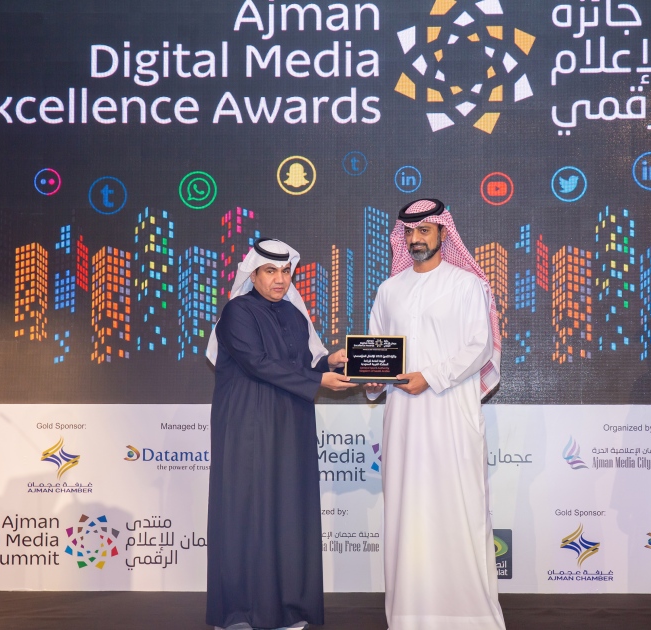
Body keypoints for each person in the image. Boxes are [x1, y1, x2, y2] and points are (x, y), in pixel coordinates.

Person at [365, 199, 506, 630]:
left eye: (424, 230)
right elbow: (377, 348)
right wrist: (370, 378)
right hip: (403, 420)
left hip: (451, 414)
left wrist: (430, 376)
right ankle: (410, 615)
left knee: (458, 508)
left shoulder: (467, 285)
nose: (415, 238)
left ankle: (469, 617)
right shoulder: (389, 290)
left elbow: (479, 346)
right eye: (409, 232)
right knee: (407, 511)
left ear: (444, 233)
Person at [205, 238, 355, 630]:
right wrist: (317, 380)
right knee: (247, 512)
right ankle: (240, 611)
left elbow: (303, 362)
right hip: (248, 426)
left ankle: (289, 609)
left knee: (290, 510)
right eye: (270, 271)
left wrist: (330, 361)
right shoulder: (237, 311)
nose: (280, 279)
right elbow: (258, 363)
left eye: (286, 271)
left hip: (290, 423)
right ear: (253, 273)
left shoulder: (293, 315)